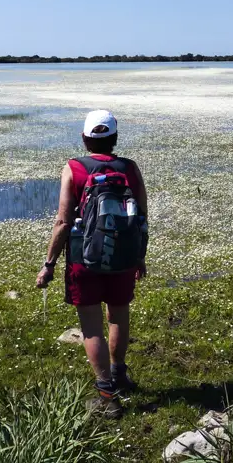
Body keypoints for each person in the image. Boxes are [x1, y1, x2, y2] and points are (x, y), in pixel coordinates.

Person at [36, 110, 148, 419]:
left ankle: (106, 395)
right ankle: (120, 375)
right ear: (114, 138)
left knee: (90, 327)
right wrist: (140, 256)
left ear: (85, 139)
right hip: (124, 257)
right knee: (118, 316)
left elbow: (62, 221)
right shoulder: (129, 168)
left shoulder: (74, 169)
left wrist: (49, 263)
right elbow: (141, 217)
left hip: (83, 259)